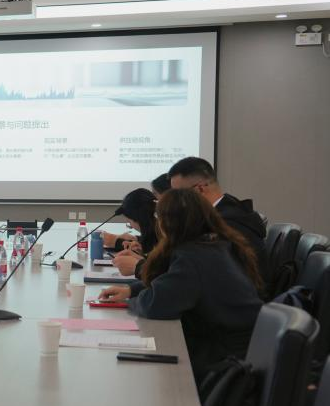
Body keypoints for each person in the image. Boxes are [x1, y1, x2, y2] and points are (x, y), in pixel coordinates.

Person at [98, 188, 264, 381]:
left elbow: (155, 304)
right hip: (243, 348)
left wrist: (132, 301)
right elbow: (171, 281)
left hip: (224, 360)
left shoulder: (193, 257)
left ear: (168, 223)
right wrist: (130, 290)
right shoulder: (214, 245)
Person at [167, 157, 266, 269]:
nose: (176, 202)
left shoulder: (225, 225)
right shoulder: (231, 211)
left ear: (200, 190)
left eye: (178, 195)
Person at [101, 188, 158, 276]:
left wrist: (136, 267)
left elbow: (162, 273)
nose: (131, 226)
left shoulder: (164, 238)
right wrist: (142, 253)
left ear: (139, 219)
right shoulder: (159, 232)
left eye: (129, 222)